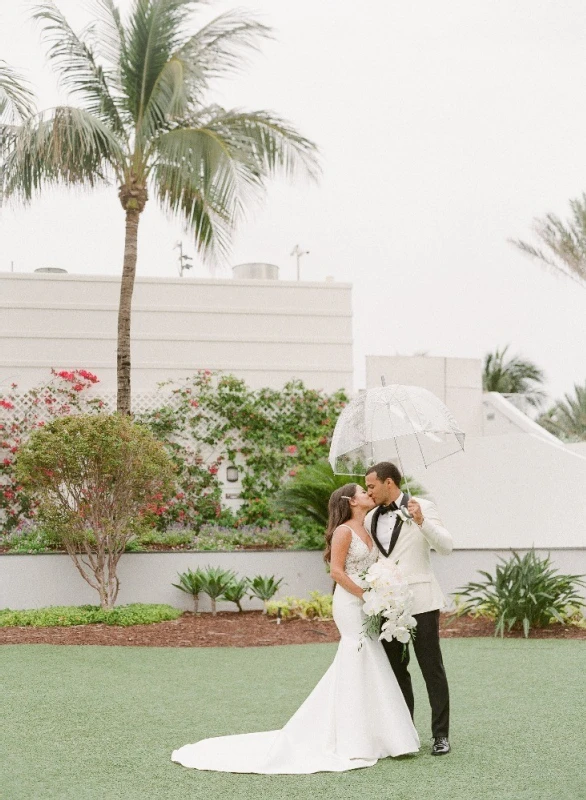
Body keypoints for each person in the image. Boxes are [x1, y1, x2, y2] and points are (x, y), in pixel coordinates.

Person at [171, 482, 419, 774]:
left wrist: (382, 587)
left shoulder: (368, 528)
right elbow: (337, 572)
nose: (369, 494)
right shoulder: (343, 532)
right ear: (351, 501)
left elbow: (377, 566)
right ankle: (354, 740)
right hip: (350, 604)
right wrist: (366, 594)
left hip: (368, 603)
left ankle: (381, 735)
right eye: (363, 492)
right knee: (357, 651)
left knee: (371, 655)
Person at [364, 461, 453, 756]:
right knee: (396, 671)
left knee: (432, 669)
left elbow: (446, 547)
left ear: (389, 483)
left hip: (423, 602)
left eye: (372, 486)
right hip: (388, 607)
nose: (369, 492)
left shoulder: (423, 506)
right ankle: (406, 734)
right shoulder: (370, 518)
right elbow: (376, 557)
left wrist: (422, 521)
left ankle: (440, 735)